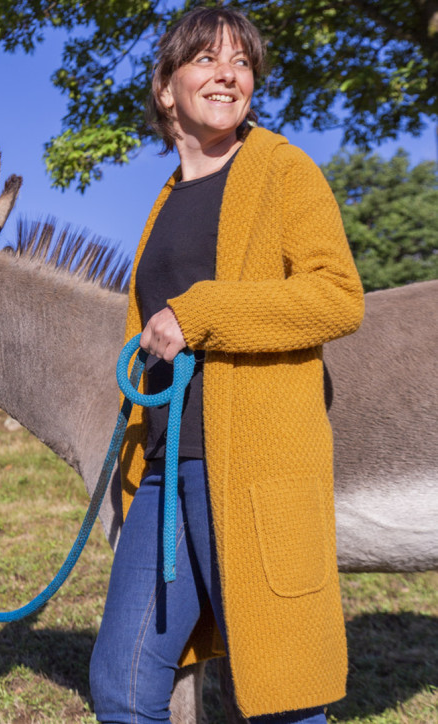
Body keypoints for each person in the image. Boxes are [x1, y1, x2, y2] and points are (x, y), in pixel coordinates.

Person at [90, 6, 364, 724]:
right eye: (207, 59)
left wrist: (202, 312)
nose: (228, 74)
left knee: (281, 698)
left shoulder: (282, 170)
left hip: (253, 472)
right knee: (122, 689)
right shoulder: (165, 200)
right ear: (165, 88)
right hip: (165, 476)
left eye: (241, 62)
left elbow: (337, 298)